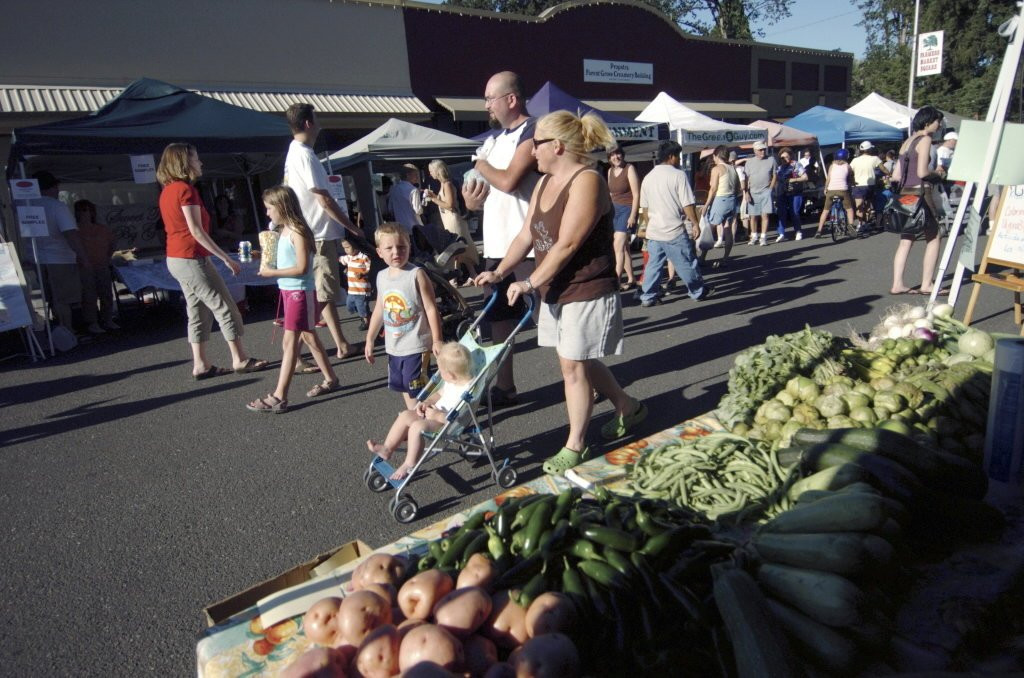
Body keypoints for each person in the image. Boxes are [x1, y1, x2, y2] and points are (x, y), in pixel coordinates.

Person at [474, 110, 646, 475]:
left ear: (557, 146)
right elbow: (525, 235)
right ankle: (626, 406)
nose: (530, 151)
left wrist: (529, 282)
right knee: (576, 360)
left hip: (587, 286)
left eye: (535, 144)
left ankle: (576, 444)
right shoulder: (542, 182)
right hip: (556, 287)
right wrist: (500, 271)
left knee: (572, 365)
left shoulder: (587, 180)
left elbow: (567, 244)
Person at [462, 71, 541, 407]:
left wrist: (480, 164)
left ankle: (590, 382)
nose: (486, 105)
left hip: (530, 245)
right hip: (496, 248)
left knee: (551, 322)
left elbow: (509, 181)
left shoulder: (534, 131)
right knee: (500, 324)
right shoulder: (492, 141)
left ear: (512, 99)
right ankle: (505, 387)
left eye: (490, 98)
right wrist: (471, 198)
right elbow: (471, 199)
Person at [156, 143, 268, 380]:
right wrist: (226, 258)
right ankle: (240, 359)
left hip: (177, 258)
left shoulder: (167, 190)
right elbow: (197, 231)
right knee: (225, 306)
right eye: (196, 158)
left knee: (197, 309)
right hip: (191, 257)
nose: (201, 163)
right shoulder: (186, 191)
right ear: (184, 163)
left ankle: (201, 364)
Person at [248, 186, 339, 412]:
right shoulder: (284, 231)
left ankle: (279, 395)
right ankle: (331, 379)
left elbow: (301, 267)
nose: (267, 213)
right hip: (290, 292)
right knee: (309, 337)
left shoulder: (297, 231)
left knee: (290, 342)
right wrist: (264, 259)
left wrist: (271, 273)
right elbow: (290, 262)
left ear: (281, 206)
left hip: (299, 292)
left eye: (269, 208)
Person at [283, 102, 362, 362]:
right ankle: (304, 346)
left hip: (309, 231)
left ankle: (340, 343)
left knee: (320, 292)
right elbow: (324, 199)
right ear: (308, 123)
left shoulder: (294, 152)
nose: (319, 123)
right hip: (318, 232)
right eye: (316, 118)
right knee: (321, 292)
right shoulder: (305, 155)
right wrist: (351, 226)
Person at [364, 223, 444, 410]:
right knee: (403, 385)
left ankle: (433, 416)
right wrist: (370, 339)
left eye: (401, 247)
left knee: (419, 387)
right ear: (379, 252)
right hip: (394, 347)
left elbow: (431, 308)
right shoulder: (381, 276)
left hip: (416, 344)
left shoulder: (416, 274)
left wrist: (437, 339)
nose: (396, 252)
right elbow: (379, 309)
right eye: (389, 248)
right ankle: (414, 416)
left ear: (409, 247)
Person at [367, 341, 474, 480]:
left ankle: (409, 463)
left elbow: (454, 417)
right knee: (406, 415)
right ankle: (387, 448)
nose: (439, 373)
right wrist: (427, 402)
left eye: (441, 371)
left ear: (452, 375)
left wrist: (435, 414)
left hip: (446, 423)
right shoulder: (451, 381)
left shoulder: (467, 389)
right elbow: (439, 394)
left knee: (417, 427)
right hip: (432, 413)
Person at [637, 140, 712, 307]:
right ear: (671, 157)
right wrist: (695, 223)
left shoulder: (648, 178)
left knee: (653, 266)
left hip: (654, 230)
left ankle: (648, 296)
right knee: (685, 262)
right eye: (677, 156)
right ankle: (697, 290)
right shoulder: (678, 175)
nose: (679, 159)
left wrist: (649, 225)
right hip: (673, 229)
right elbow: (687, 203)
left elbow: (644, 208)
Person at [891, 106, 947, 296]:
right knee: (933, 236)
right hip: (922, 192)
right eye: (937, 121)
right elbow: (923, 172)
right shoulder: (925, 140)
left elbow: (896, 175)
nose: (939, 125)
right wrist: (938, 174)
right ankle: (926, 284)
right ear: (927, 121)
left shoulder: (906, 142)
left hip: (905, 193)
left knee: (906, 239)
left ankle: (897, 283)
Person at [27, 172, 89, 336]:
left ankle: (60, 331)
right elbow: (70, 234)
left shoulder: (26, 205)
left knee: (52, 298)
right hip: (59, 258)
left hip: (37, 257)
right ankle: (67, 331)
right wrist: (82, 256)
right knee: (63, 299)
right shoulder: (57, 206)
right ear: (53, 187)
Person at [425, 158, 480, 283]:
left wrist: (433, 199)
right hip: (450, 219)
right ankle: (472, 275)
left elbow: (450, 205)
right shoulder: (444, 184)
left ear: (437, 171)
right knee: (458, 248)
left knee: (455, 248)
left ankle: (455, 278)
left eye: (431, 171)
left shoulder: (447, 184)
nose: (430, 174)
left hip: (454, 220)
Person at [73, 199, 118, 334]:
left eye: (86, 210)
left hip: (102, 265)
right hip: (84, 267)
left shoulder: (102, 229)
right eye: (81, 210)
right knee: (89, 296)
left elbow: (112, 245)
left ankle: (108, 319)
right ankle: (92, 322)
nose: (84, 213)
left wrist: (106, 258)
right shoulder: (74, 230)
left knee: (106, 294)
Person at [606, 146, 640, 290]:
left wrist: (633, 215)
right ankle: (631, 278)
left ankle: (616, 281)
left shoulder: (629, 168)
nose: (616, 157)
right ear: (609, 158)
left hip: (627, 209)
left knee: (617, 246)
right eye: (612, 155)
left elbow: (636, 194)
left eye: (618, 154)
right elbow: (610, 194)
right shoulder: (610, 171)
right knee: (624, 247)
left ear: (622, 154)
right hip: (614, 210)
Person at [701, 145, 740, 267]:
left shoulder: (717, 169)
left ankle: (702, 257)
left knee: (710, 228)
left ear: (716, 156)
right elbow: (738, 187)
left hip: (720, 199)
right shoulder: (733, 168)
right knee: (727, 228)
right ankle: (726, 257)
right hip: (732, 200)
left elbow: (713, 189)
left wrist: (706, 204)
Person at [815, 148, 855, 238]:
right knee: (849, 209)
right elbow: (850, 179)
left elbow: (828, 179)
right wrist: (853, 183)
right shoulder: (848, 166)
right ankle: (851, 225)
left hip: (831, 190)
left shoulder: (831, 166)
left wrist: (826, 188)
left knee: (825, 211)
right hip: (843, 190)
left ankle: (819, 230)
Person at [743, 140, 777, 246]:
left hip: (766, 191)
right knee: (753, 216)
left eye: (764, 149)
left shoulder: (771, 160)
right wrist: (746, 192)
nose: (763, 151)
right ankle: (754, 236)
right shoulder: (749, 162)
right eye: (760, 150)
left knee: (765, 215)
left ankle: (763, 237)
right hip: (752, 191)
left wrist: (770, 188)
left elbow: (775, 175)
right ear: (755, 150)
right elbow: (746, 178)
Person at [850, 141, 888, 231]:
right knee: (867, 205)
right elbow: (883, 169)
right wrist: (890, 173)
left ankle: (860, 224)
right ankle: (865, 223)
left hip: (858, 185)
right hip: (870, 185)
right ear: (869, 149)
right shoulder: (875, 158)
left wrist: (852, 180)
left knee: (859, 206)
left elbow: (849, 171)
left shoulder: (855, 160)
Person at [773, 147, 807, 241]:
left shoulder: (796, 164)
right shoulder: (779, 168)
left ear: (790, 156)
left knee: (794, 212)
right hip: (782, 192)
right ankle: (781, 233)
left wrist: (794, 179)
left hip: (795, 192)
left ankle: (798, 231)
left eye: (787, 157)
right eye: (782, 157)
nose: (785, 159)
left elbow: (805, 177)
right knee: (781, 212)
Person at [339, 238, 371, 331]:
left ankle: (366, 321)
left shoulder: (364, 257)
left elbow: (369, 269)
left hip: (362, 289)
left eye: (348, 247)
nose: (346, 250)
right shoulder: (348, 257)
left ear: (355, 245)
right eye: (344, 248)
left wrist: (363, 274)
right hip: (352, 289)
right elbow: (340, 259)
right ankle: (366, 314)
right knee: (349, 305)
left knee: (361, 305)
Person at [388, 164, 424, 235]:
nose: (417, 177)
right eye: (415, 175)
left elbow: (390, 209)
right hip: (414, 227)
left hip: (400, 227)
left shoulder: (394, 189)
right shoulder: (413, 190)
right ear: (408, 175)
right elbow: (418, 210)